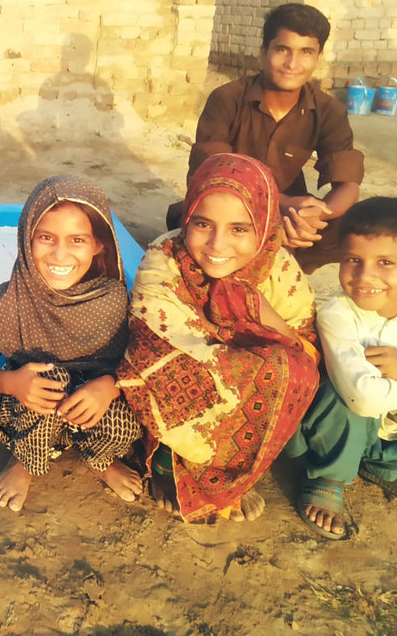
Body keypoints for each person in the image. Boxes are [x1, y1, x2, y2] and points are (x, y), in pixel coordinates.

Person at [119, 153, 320, 523]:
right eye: (202, 224)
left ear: (264, 225)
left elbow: (305, 346)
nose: (217, 244)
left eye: (239, 229)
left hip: (245, 379)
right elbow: (154, 344)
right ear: (186, 217)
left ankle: (233, 478)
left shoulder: (279, 269)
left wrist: (259, 314)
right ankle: (168, 466)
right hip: (191, 378)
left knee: (294, 371)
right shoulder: (164, 259)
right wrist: (236, 342)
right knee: (173, 370)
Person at [0, 175, 143, 512]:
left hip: (90, 413)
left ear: (99, 245)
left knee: (127, 417)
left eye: (77, 239)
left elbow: (140, 364)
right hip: (28, 413)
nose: (60, 254)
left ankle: (100, 461)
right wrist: (12, 383)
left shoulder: (115, 301)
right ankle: (23, 464)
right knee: (49, 378)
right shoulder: (8, 302)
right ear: (25, 240)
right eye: (45, 238)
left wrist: (110, 387)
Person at [166, 3, 364, 274]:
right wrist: (280, 205)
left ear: (318, 58)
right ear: (263, 53)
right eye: (283, 50)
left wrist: (316, 215)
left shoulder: (329, 110)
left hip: (292, 214)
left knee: (360, 224)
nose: (292, 64)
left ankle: (282, 259)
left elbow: (349, 185)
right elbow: (211, 176)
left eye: (305, 52)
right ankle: (268, 254)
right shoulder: (227, 99)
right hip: (229, 206)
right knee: (190, 223)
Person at [294, 197, 397, 539]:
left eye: (386, 262)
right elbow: (361, 397)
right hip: (348, 422)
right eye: (353, 260)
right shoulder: (338, 314)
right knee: (339, 389)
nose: (365, 276)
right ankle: (329, 474)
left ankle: (394, 466)